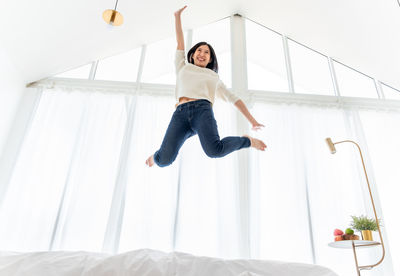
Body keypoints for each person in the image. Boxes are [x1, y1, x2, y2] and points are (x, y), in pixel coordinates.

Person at [146, 6, 266, 167]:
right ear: (193, 54)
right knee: (164, 160)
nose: (202, 54)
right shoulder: (182, 66)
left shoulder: (213, 77)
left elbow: (234, 100)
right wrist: (177, 17)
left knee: (214, 151)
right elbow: (180, 41)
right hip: (180, 114)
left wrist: (252, 120)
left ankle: (247, 141)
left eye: (206, 52)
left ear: (210, 59)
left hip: (202, 112)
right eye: (199, 50)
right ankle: (156, 156)